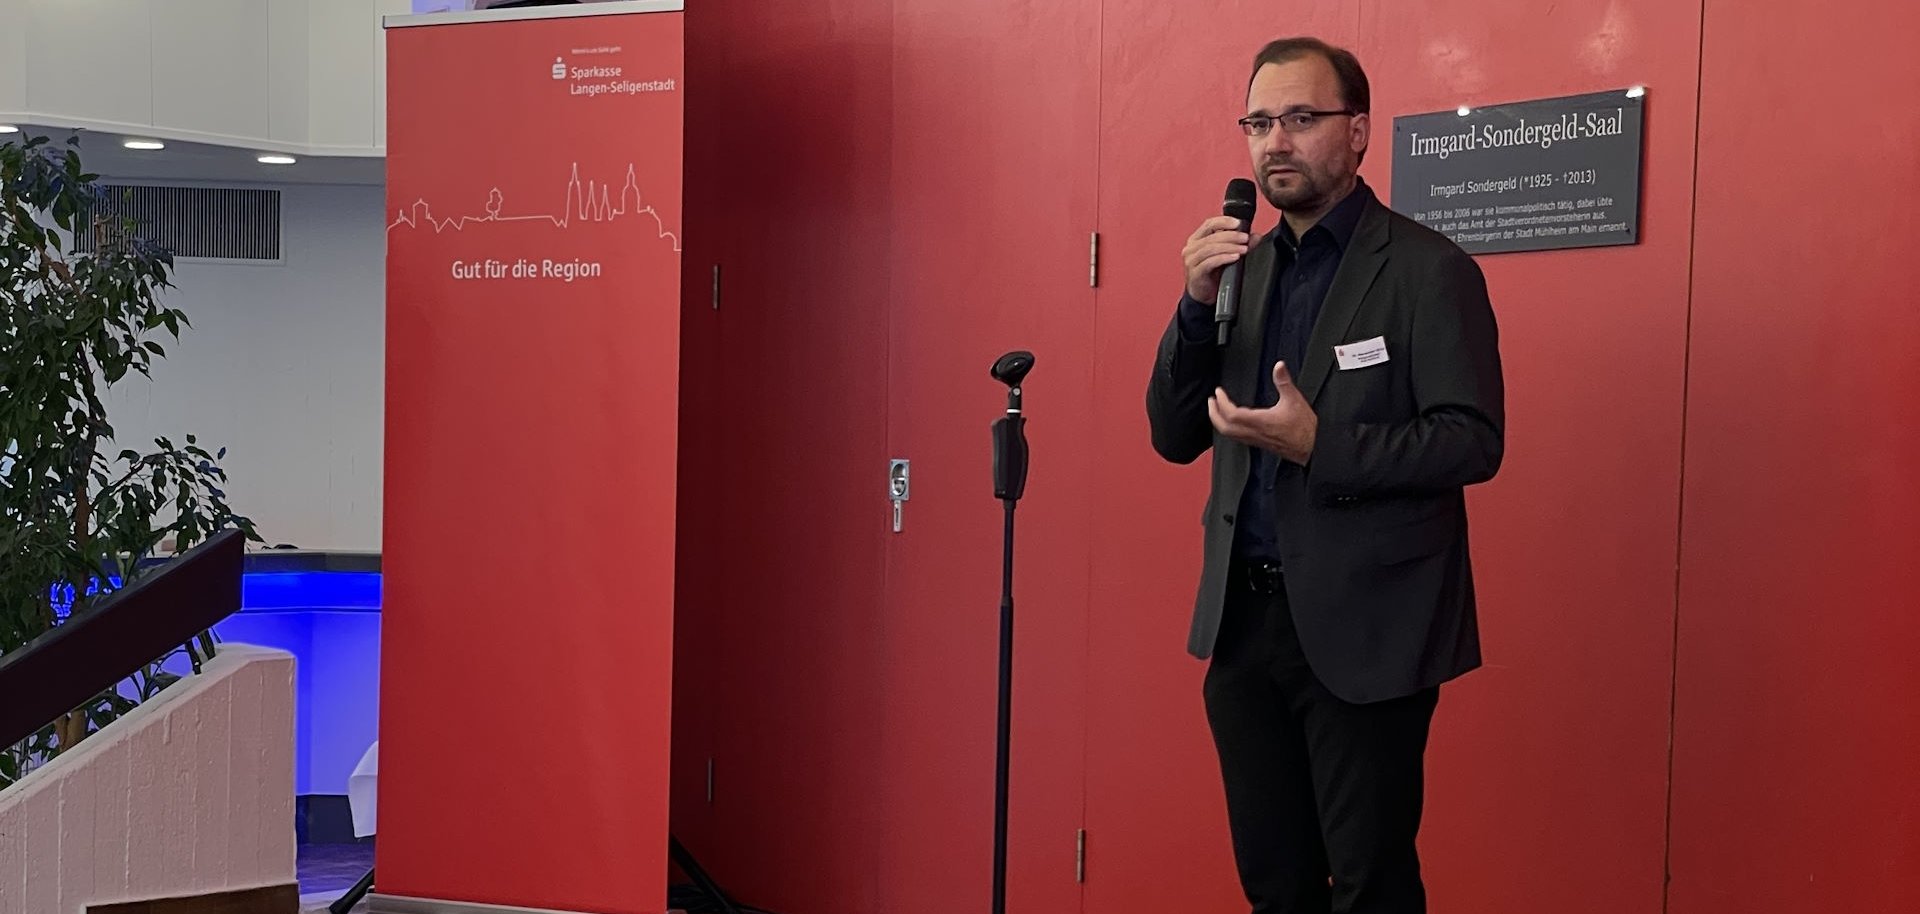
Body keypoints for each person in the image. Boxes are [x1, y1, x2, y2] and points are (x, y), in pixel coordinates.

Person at [1144, 36, 1505, 914]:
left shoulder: (1427, 270)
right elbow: (1171, 433)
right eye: (1260, 122)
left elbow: (1472, 441)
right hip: (1244, 625)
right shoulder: (1237, 270)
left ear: (1358, 133)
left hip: (1368, 630)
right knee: (1276, 883)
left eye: (1302, 118)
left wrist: (1323, 444)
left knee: (1371, 882)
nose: (1277, 142)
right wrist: (1193, 307)